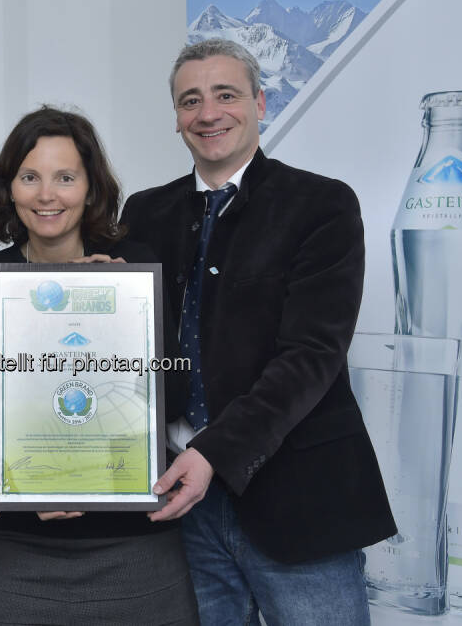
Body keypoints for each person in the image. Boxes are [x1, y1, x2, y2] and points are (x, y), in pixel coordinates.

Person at [120, 37, 396, 624]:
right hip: (181, 505)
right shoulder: (143, 215)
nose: (209, 113)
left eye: (226, 94)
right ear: (176, 118)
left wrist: (213, 453)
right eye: (190, 100)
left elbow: (312, 354)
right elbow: (125, 344)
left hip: (299, 500)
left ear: (260, 103)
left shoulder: (321, 205)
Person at [0, 106, 200, 625]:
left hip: (136, 546)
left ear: (90, 189)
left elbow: (174, 399)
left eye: (65, 177)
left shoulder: (135, 271)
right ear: (10, 188)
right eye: (30, 177)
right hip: (25, 551)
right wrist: (23, 490)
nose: (47, 195)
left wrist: (120, 311)